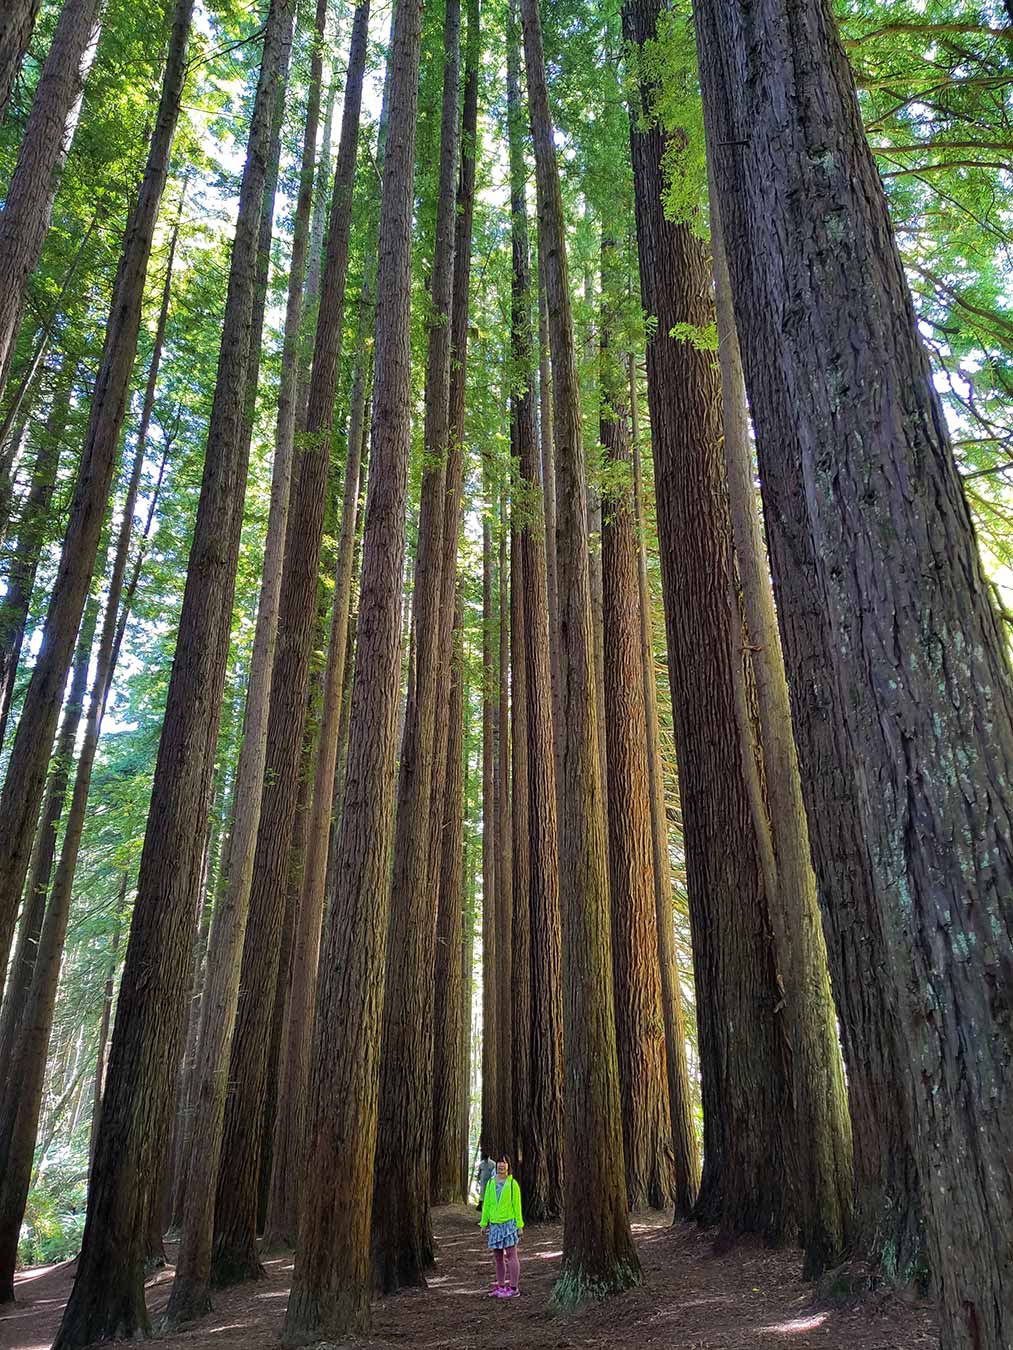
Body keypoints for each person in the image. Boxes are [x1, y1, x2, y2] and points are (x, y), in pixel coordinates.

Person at [479, 1155, 523, 1298]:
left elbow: (517, 1206)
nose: (501, 1166)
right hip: (495, 1225)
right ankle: (500, 1285)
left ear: (508, 1166)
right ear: (496, 1166)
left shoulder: (512, 1184)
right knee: (498, 1257)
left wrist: (519, 1225)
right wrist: (484, 1223)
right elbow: (487, 1204)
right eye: (499, 1163)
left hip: (509, 1223)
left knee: (511, 1255)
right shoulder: (491, 1183)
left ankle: (514, 1287)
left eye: (504, 1163)